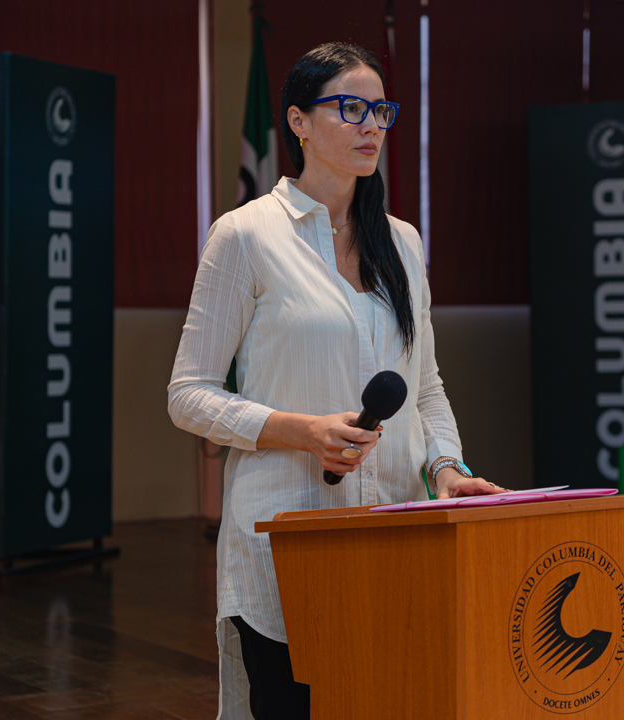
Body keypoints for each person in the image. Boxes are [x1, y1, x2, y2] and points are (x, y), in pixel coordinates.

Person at [168, 42, 505, 720]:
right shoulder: (246, 235)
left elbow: (425, 387)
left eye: (381, 110)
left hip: (396, 535)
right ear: (298, 121)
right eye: (350, 108)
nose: (371, 125)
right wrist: (302, 431)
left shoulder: (403, 242)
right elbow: (188, 395)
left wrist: (447, 468)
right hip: (288, 541)